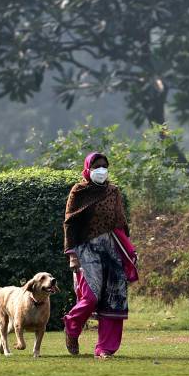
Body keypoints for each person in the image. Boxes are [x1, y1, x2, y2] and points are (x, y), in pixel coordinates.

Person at [62, 152, 132, 359]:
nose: (101, 170)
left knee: (114, 299)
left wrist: (127, 250)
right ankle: (72, 326)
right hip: (86, 249)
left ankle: (104, 349)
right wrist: (72, 255)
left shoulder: (113, 191)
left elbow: (121, 221)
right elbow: (70, 224)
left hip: (111, 249)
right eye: (96, 166)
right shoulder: (79, 191)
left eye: (104, 166)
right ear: (87, 169)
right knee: (90, 297)